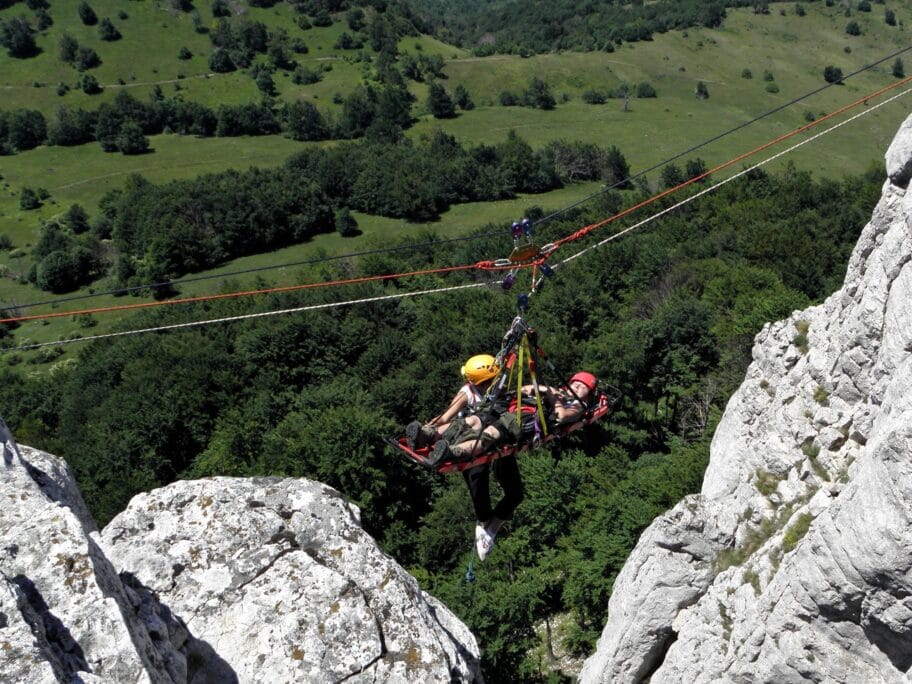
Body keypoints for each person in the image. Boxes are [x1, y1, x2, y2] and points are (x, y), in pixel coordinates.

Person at [430, 371, 599, 561]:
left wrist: (549, 394)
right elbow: (523, 389)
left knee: (488, 438)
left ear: (588, 394)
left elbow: (561, 415)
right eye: (575, 383)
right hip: (511, 412)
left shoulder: (578, 405)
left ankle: (451, 451)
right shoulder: (556, 391)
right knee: (474, 423)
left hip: (523, 421)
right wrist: (539, 390)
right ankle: (429, 434)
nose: (576, 387)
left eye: (581, 387)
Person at [405, 354, 501, 451]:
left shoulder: (495, 390)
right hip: (463, 431)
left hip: (483, 432)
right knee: (463, 423)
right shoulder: (466, 394)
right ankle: (426, 435)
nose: (497, 380)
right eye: (494, 378)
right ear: (485, 382)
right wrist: (428, 427)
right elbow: (445, 417)